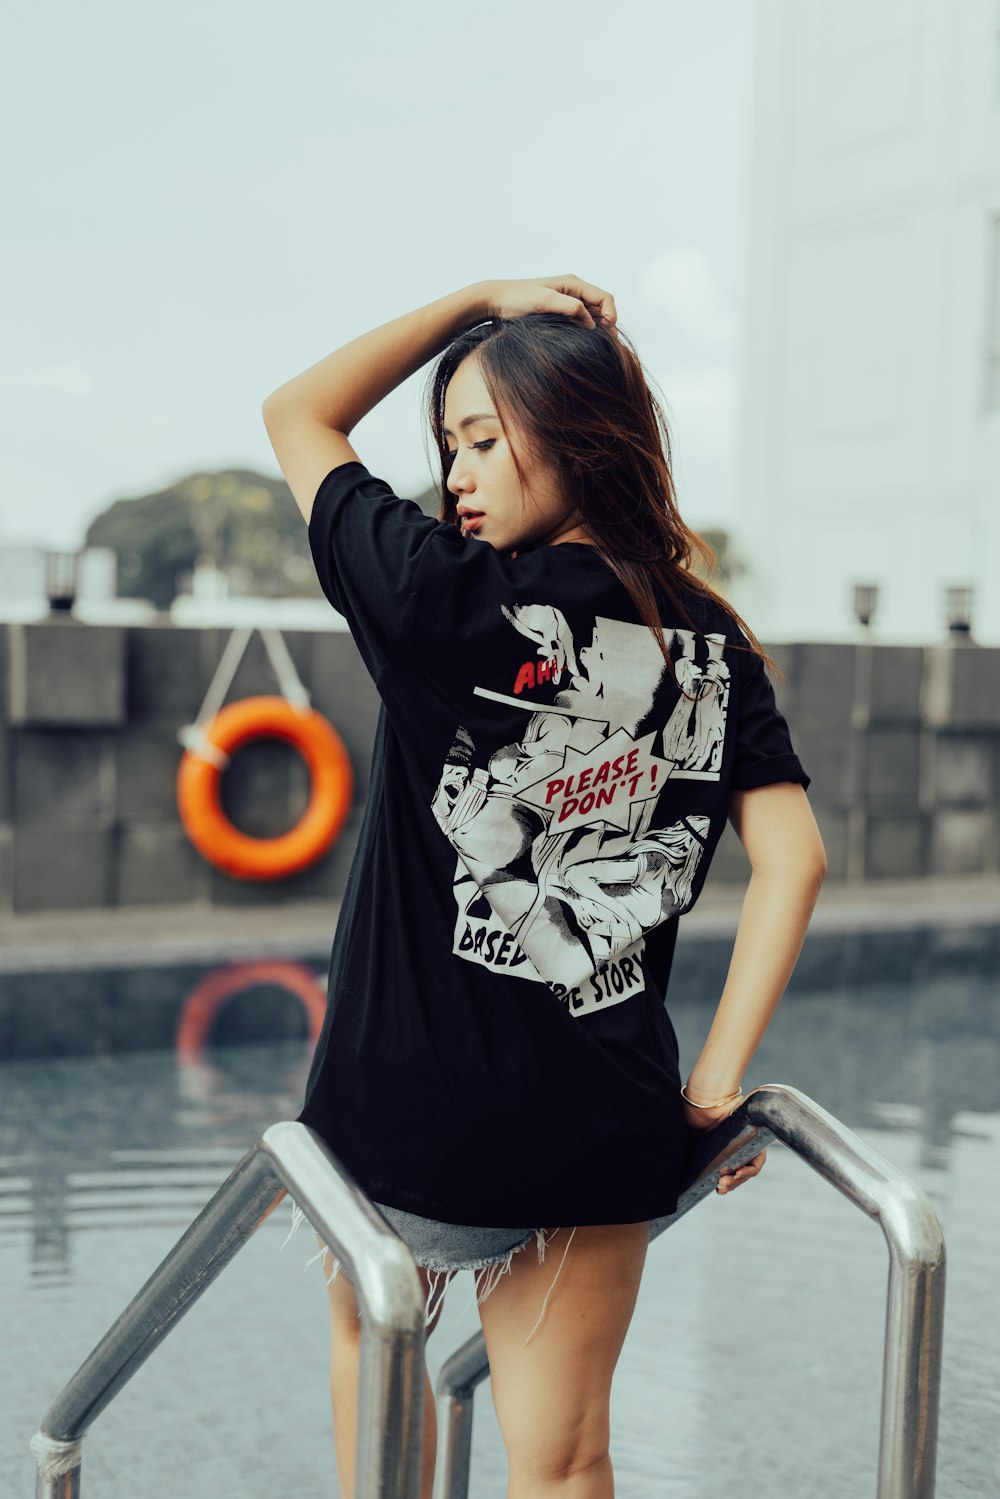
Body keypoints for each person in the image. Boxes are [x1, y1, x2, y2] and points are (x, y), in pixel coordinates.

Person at [263, 275, 827, 1499]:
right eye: (445, 445)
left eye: (480, 439)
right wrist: (715, 1084)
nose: (455, 475)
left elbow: (299, 414)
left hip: (408, 1111)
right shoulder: (708, 641)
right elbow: (795, 860)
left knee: (382, 1402)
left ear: (575, 434)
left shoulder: (441, 599)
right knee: (565, 1463)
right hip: (600, 1113)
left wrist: (473, 297)